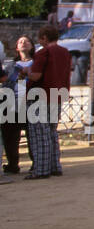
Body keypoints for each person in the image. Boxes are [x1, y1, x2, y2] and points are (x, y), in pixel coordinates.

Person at [27, 26, 70, 179]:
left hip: (41, 97)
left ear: (44, 37)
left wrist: (26, 72)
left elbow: (36, 76)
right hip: (57, 96)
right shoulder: (65, 52)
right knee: (52, 133)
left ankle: (41, 170)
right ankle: (54, 166)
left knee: (40, 135)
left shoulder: (43, 52)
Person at [1, 35, 34, 175]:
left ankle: (36, 163)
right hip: (11, 104)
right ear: (16, 47)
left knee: (33, 135)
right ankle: (13, 164)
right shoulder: (10, 65)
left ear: (32, 46)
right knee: (10, 136)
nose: (23, 43)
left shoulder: (36, 63)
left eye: (26, 41)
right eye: (20, 41)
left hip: (31, 103)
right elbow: (4, 82)